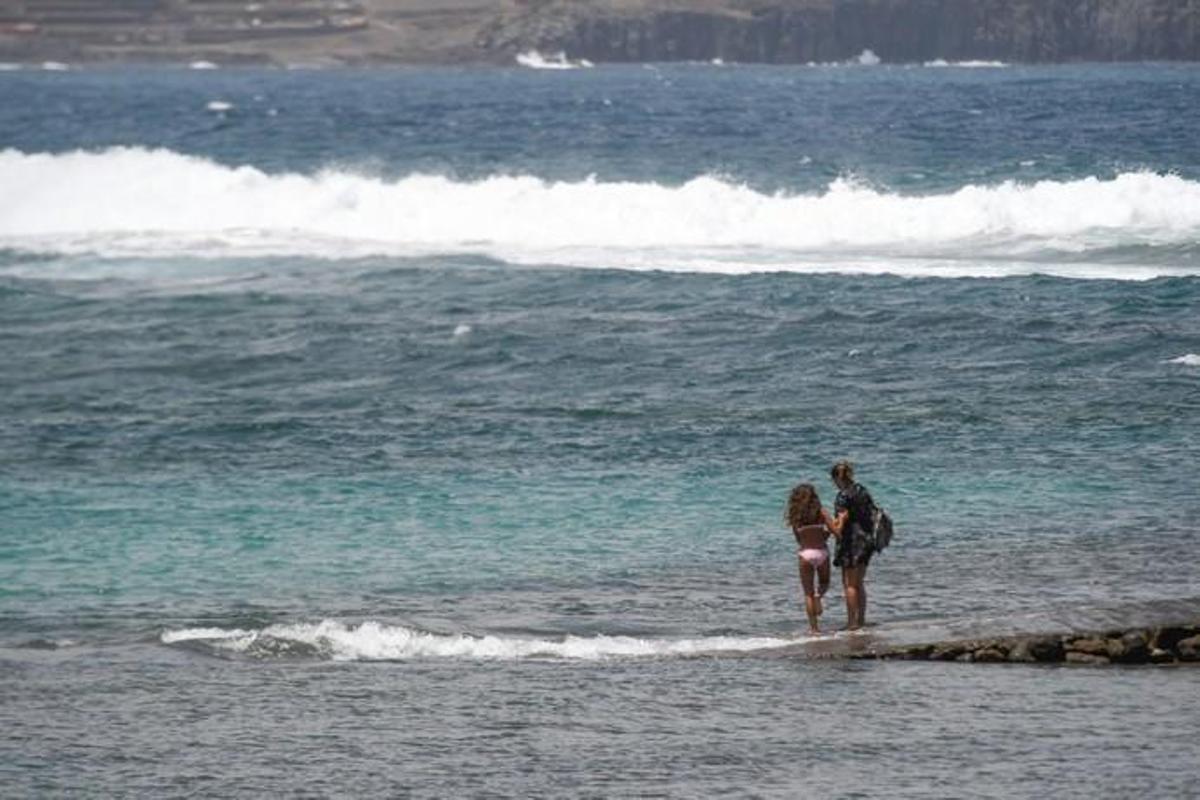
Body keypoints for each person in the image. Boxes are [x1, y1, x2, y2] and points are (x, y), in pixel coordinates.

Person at [826, 461, 877, 631]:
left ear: (836, 478)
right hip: (867, 540)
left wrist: (827, 526)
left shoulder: (843, 496)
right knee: (859, 583)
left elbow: (841, 523)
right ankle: (861, 619)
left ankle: (852, 623)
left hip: (851, 542)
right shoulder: (862, 490)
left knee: (849, 584)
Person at [785, 483, 836, 635]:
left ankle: (814, 629)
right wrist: (839, 522)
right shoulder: (821, 513)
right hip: (822, 553)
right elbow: (833, 531)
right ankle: (818, 596)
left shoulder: (796, 518)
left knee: (807, 593)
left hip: (805, 554)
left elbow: (799, 540)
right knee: (824, 583)